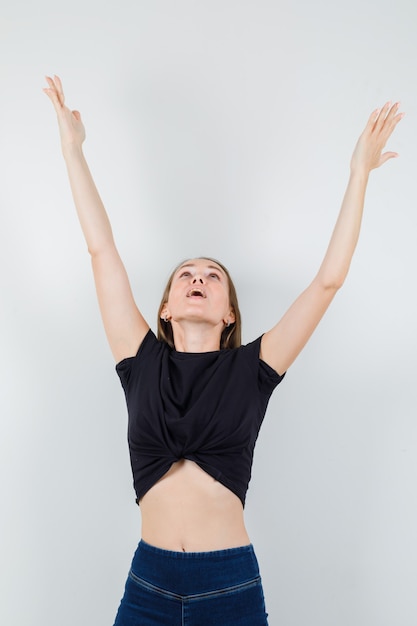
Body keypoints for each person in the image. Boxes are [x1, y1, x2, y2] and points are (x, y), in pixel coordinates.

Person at [44, 75, 404, 625]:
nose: (198, 278)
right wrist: (73, 151)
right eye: (185, 273)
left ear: (229, 312)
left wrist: (358, 174)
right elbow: (101, 249)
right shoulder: (139, 361)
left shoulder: (254, 367)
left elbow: (328, 281)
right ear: (164, 306)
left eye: (213, 276)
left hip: (229, 585)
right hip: (148, 585)